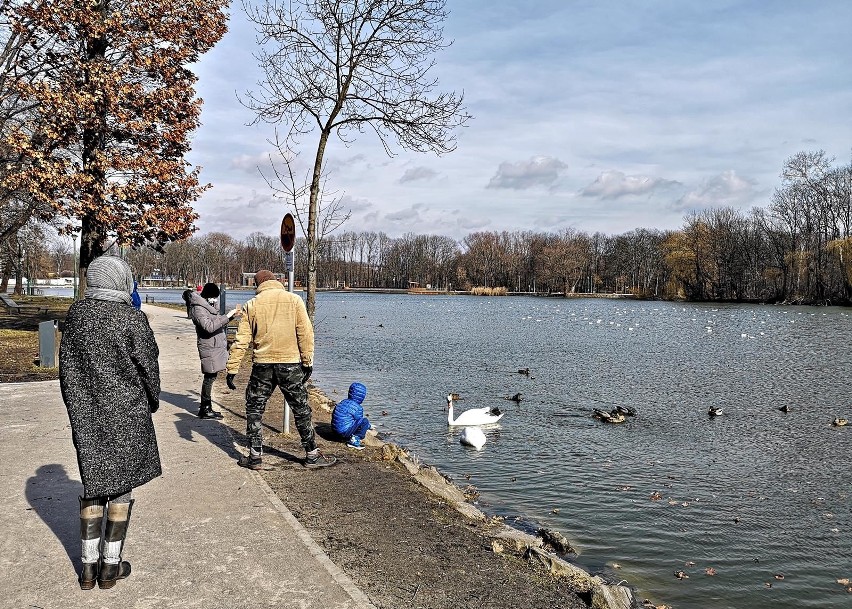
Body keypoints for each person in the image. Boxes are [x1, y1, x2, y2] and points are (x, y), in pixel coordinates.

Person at [58, 255, 161, 590]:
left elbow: (66, 369)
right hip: (126, 412)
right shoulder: (131, 318)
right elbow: (149, 366)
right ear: (121, 281)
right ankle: (110, 567)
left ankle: (87, 569)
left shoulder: (76, 315)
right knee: (120, 486)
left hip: (85, 410)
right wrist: (152, 400)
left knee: (94, 481)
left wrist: (77, 403)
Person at [225, 269, 336, 469]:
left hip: (262, 365)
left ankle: (255, 456)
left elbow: (241, 341)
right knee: (301, 409)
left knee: (254, 408)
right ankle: (311, 454)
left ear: (257, 285)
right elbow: (305, 334)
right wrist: (307, 361)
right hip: (290, 364)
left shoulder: (252, 305)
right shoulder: (294, 301)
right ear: (276, 281)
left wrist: (232, 368)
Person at [188, 282, 240, 419]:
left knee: (212, 376)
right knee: (209, 376)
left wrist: (231, 317)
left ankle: (206, 406)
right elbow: (209, 327)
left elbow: (215, 322)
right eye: (214, 297)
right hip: (208, 346)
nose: (215, 300)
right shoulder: (198, 309)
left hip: (214, 345)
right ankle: (205, 408)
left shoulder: (208, 306)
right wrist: (227, 317)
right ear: (208, 296)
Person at [331, 382, 372, 450]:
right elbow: (359, 422)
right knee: (365, 421)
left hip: (335, 431)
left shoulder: (343, 402)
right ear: (362, 396)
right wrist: (368, 426)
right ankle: (354, 441)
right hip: (343, 433)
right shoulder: (358, 408)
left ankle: (343, 436)